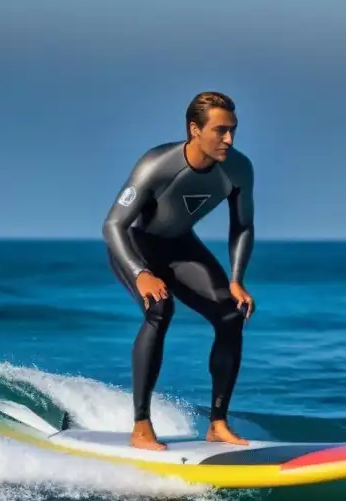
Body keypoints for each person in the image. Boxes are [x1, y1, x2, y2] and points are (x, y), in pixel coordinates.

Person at [102, 91, 256, 450]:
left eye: (232, 130)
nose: (229, 139)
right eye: (220, 131)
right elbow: (112, 226)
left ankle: (218, 424)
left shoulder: (238, 168)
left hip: (180, 245)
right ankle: (141, 426)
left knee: (231, 315)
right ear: (194, 129)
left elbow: (243, 227)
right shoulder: (156, 165)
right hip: (136, 245)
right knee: (160, 309)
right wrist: (140, 273)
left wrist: (236, 280)